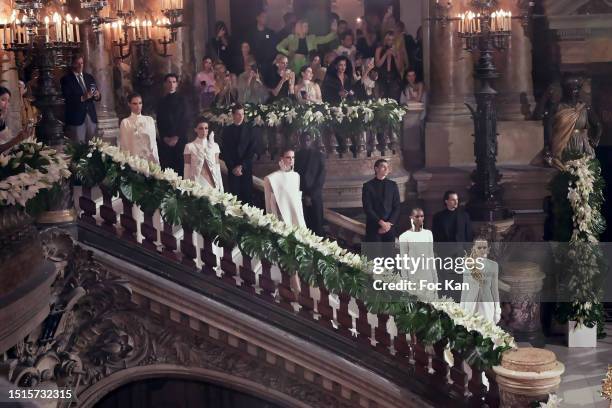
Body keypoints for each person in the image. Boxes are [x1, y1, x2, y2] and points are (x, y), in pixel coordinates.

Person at [431, 190, 473, 300]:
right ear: (446, 201)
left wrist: (469, 254)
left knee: (459, 281)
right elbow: (435, 237)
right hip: (444, 254)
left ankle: (458, 307)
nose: (456, 202)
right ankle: (445, 306)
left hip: (459, 253)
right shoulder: (438, 217)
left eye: (457, 199)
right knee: (445, 282)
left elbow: (468, 236)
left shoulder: (464, 216)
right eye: (453, 199)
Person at [219, 104, 257, 204]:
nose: (241, 117)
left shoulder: (250, 130)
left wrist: (241, 166)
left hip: (246, 169)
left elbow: (252, 151)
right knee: (234, 200)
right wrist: (233, 167)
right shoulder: (226, 131)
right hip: (232, 170)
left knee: (247, 198)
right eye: (238, 114)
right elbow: (225, 151)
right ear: (233, 115)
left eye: (242, 114)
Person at [156, 73, 191, 176]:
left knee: (180, 169)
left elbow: (186, 120)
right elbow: (159, 122)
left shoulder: (183, 100)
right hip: (166, 142)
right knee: (167, 169)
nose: (171, 84)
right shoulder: (161, 102)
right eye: (169, 82)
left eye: (174, 82)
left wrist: (176, 137)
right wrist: (165, 137)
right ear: (165, 84)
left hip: (180, 140)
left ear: (177, 84)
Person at [398, 208, 437, 300]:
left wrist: (435, 279)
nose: (419, 218)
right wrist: (405, 282)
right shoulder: (404, 236)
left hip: (427, 275)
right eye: (417, 216)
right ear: (411, 217)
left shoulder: (428, 234)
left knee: (430, 305)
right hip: (414, 275)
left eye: (422, 216)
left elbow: (431, 256)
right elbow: (404, 261)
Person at [459, 238, 501, 324]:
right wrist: (461, 309)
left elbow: (494, 290)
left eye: (484, 247)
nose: (482, 250)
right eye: (479, 248)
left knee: (487, 331)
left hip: (487, 303)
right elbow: (465, 288)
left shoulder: (493, 265)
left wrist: (497, 310)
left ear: (488, 249)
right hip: (470, 303)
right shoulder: (467, 264)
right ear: (473, 248)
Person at [60, 54, 101, 142]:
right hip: (76, 117)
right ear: (72, 64)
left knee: (94, 145)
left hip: (91, 115)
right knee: (78, 146)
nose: (80, 66)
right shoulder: (66, 79)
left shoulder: (89, 77)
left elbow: (96, 93)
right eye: (77, 63)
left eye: (82, 63)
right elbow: (67, 98)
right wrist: (83, 97)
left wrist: (97, 95)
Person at [264, 148, 306, 228]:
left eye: (293, 157)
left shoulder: (296, 176)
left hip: (296, 213)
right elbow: (270, 201)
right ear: (282, 158)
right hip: (281, 215)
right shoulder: (273, 177)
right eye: (288, 157)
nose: (291, 160)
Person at [362, 159, 400, 242]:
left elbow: (397, 206)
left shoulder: (393, 185)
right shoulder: (368, 186)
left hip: (389, 228)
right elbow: (367, 208)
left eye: (387, 167)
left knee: (389, 254)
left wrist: (388, 224)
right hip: (374, 228)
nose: (386, 169)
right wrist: (381, 223)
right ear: (376, 169)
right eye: (383, 166)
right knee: (374, 254)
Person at [295, 133, 326, 235]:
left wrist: (310, 196)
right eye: (303, 140)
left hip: (315, 198)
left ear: (311, 140)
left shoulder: (319, 156)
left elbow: (320, 179)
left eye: (307, 140)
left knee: (317, 228)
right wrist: (303, 195)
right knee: (303, 228)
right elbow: (294, 177)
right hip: (300, 197)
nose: (305, 142)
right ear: (300, 141)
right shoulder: (296, 156)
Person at [184, 117, 223, 192]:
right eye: (201, 128)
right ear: (195, 129)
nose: (204, 131)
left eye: (206, 128)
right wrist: (186, 188)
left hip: (213, 182)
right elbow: (187, 168)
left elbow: (217, 167)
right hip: (197, 183)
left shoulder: (215, 146)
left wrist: (221, 187)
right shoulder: (189, 146)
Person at [118, 93, 159, 164]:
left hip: (150, 161)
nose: (138, 106)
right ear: (129, 104)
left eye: (140, 103)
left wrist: (156, 162)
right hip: (134, 162)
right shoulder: (125, 122)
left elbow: (153, 144)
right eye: (135, 103)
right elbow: (124, 146)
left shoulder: (149, 120)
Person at [375, 31, 403, 102]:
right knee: (382, 102)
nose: (390, 42)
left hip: (394, 78)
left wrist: (395, 56)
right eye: (389, 39)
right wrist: (385, 55)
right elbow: (378, 64)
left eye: (392, 40)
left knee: (394, 102)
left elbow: (399, 68)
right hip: (382, 77)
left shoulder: (397, 51)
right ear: (385, 40)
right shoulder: (379, 49)